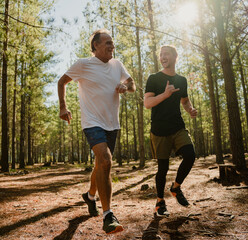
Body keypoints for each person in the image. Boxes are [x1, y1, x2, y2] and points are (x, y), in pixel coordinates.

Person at [57, 29, 136, 234]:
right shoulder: (83, 64)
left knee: (101, 164)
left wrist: (124, 87)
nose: (112, 46)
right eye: (108, 43)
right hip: (92, 122)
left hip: (112, 123)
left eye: (113, 43)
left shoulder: (117, 64)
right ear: (95, 47)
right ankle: (108, 215)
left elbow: (132, 84)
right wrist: (63, 107)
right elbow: (62, 81)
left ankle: (90, 196)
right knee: (106, 161)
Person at [144, 45, 197, 217]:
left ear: (175, 57)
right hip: (159, 130)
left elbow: (185, 100)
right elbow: (147, 103)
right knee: (163, 168)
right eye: (161, 55)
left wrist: (190, 109)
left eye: (166, 54)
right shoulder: (154, 78)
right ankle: (160, 202)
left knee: (190, 155)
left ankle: (175, 187)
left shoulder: (181, 80)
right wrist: (164, 95)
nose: (162, 57)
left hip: (177, 126)